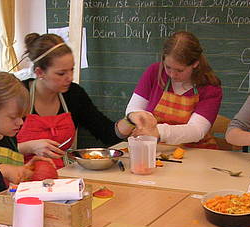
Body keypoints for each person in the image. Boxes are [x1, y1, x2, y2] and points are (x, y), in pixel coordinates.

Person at [16, 33, 156, 168]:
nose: (70, 77)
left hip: (62, 175)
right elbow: (1, 149)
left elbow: (107, 133)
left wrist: (130, 120)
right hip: (20, 175)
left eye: (71, 70)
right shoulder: (18, 95)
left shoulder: (74, 94)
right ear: (40, 72)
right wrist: (30, 147)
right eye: (61, 73)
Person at [125, 31, 223, 148]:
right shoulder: (154, 72)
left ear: (195, 64)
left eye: (180, 70)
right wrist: (135, 116)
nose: (172, 74)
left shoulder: (210, 88)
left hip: (196, 151)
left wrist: (158, 132)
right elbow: (133, 108)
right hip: (156, 148)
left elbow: (197, 130)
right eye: (168, 67)